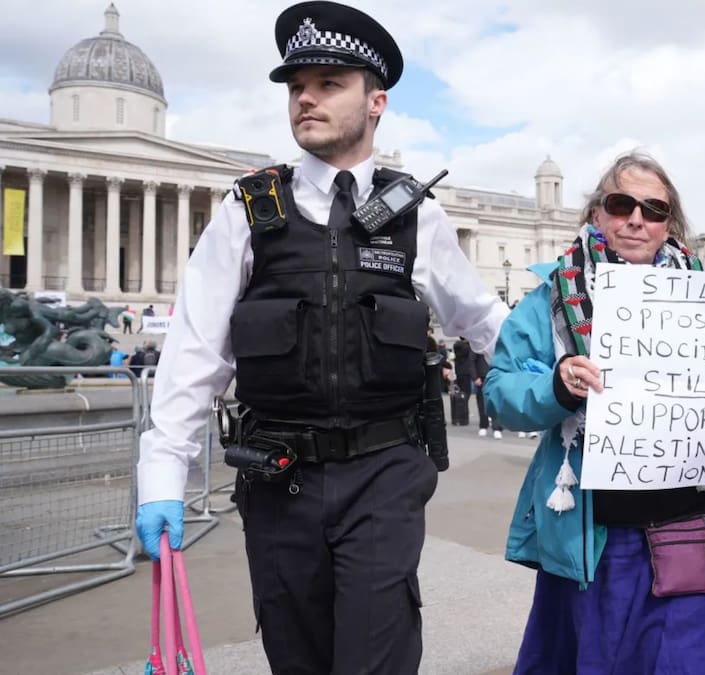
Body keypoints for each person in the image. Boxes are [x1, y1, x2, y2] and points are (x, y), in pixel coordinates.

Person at [133, 3, 509, 672]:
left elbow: (485, 321)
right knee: (296, 656)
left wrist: (565, 376)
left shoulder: (417, 215)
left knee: (374, 653)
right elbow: (196, 350)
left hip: (385, 473)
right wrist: (162, 471)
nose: (305, 97)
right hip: (280, 482)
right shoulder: (247, 210)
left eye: (329, 82)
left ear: (376, 102)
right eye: (296, 85)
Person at [484, 151, 705, 673]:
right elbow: (499, 390)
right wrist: (557, 385)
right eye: (621, 203)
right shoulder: (549, 297)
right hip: (596, 536)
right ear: (597, 214)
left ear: (668, 223)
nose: (637, 218)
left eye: (654, 209)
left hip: (688, 527)